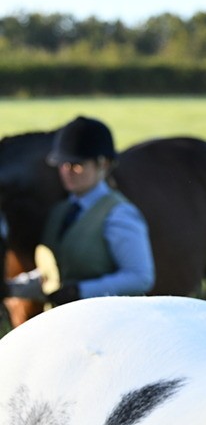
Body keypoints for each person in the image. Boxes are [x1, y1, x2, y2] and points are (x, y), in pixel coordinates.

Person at [5, 116, 154, 307]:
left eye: (77, 166)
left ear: (103, 164)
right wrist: (11, 289)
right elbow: (55, 274)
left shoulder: (119, 214)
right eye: (63, 164)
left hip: (103, 316)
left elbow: (140, 277)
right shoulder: (60, 211)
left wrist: (81, 291)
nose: (67, 171)